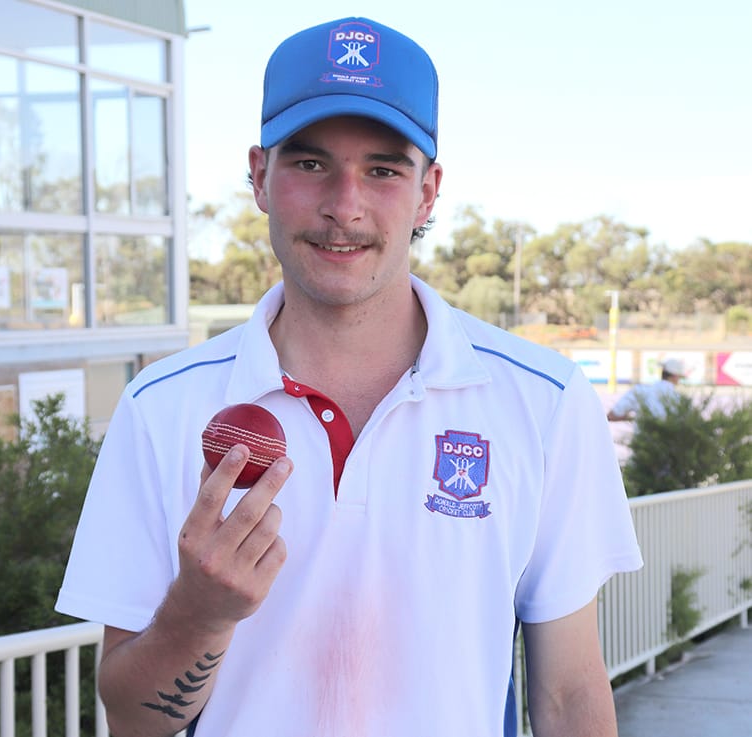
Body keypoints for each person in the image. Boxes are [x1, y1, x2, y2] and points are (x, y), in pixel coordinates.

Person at [56, 17, 642, 737]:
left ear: (428, 192)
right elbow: (132, 720)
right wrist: (197, 611)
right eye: (308, 164)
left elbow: (570, 695)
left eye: (383, 169)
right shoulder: (162, 408)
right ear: (258, 177)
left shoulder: (543, 400)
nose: (344, 204)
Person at [607, 358, 686, 423]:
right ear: (675, 376)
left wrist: (633, 419)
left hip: (642, 440)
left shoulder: (640, 390)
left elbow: (611, 416)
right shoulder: (680, 399)